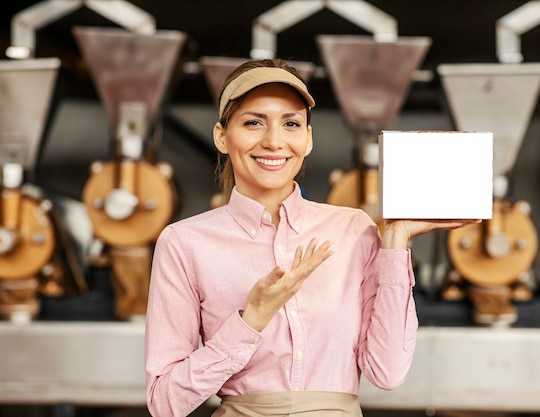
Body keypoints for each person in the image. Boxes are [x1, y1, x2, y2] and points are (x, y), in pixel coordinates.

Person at [145, 58, 479, 417]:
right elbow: (165, 403)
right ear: (222, 137)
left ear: (307, 140)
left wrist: (395, 244)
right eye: (254, 122)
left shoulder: (355, 230)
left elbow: (387, 372)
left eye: (291, 124)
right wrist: (251, 320)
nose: (274, 141)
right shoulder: (184, 242)